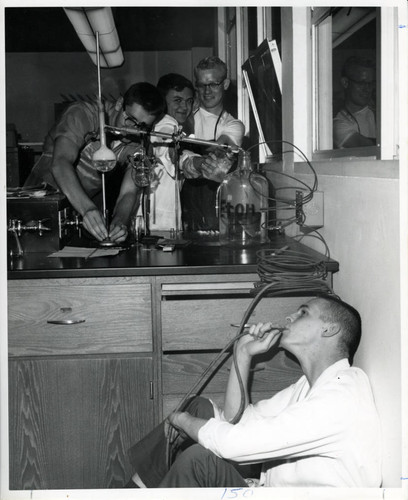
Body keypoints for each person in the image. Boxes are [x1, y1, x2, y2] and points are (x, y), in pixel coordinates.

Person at [125, 295, 382, 488]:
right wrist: (243, 353)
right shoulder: (309, 385)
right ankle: (129, 491)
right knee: (199, 407)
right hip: (264, 489)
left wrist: (180, 420)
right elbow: (237, 421)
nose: (289, 317)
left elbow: (232, 444)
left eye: (303, 313)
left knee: (199, 460)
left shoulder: (340, 399)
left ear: (329, 329)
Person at [24, 82, 165, 242]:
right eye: (131, 120)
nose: (132, 130)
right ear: (119, 104)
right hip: (40, 201)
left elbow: (129, 192)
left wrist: (119, 222)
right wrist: (87, 209)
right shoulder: (83, 114)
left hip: (80, 209)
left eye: (142, 126)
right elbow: (61, 163)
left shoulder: (137, 141)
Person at [180, 56, 245, 231]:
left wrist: (191, 161)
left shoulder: (233, 125)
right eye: (201, 85)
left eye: (213, 84)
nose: (206, 91)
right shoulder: (184, 118)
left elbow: (218, 160)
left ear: (224, 84)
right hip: (186, 213)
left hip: (219, 211)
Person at [333, 56, 376, 149]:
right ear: (345, 83)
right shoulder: (338, 122)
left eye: (371, 83)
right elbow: (367, 147)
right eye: (362, 83)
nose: (367, 89)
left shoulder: (380, 113)